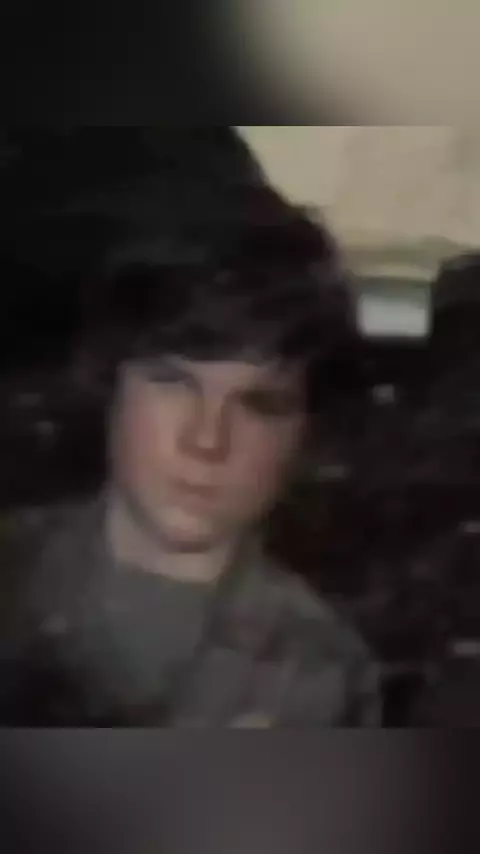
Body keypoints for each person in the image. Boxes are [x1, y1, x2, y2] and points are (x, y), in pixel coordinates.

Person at [0, 190, 380, 726]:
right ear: (110, 384)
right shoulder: (14, 576)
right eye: (173, 382)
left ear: (304, 433)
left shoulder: (325, 679)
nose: (207, 441)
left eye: (260, 404)